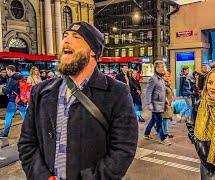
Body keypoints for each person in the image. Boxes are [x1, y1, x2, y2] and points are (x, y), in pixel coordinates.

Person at [18, 21, 138, 179]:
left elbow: (123, 150)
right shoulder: (41, 91)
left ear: (93, 51)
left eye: (76, 37)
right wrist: (42, 176)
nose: (65, 40)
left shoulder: (116, 92)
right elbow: (27, 143)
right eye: (65, 36)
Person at [144, 60, 171, 145]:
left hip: (160, 104)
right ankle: (163, 139)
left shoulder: (160, 78)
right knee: (159, 123)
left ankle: (146, 134)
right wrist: (149, 104)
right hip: (155, 105)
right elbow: (148, 92)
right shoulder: (153, 79)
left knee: (153, 120)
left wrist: (165, 100)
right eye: (160, 67)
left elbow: (162, 91)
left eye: (163, 67)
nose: (162, 68)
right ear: (156, 68)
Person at [0, 65, 27, 138]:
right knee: (26, 118)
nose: (7, 73)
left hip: (13, 101)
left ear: (10, 70)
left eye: (7, 71)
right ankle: (32, 132)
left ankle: (5, 133)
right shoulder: (22, 77)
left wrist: (2, 88)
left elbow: (6, 91)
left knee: (8, 117)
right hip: (21, 100)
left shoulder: (12, 79)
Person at [162, 71, 174, 138]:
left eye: (168, 76)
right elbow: (162, 95)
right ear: (163, 77)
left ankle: (165, 132)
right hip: (165, 105)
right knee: (165, 119)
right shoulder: (163, 85)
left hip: (168, 104)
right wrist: (167, 102)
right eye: (165, 76)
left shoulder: (168, 84)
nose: (167, 77)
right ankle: (165, 133)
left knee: (166, 119)